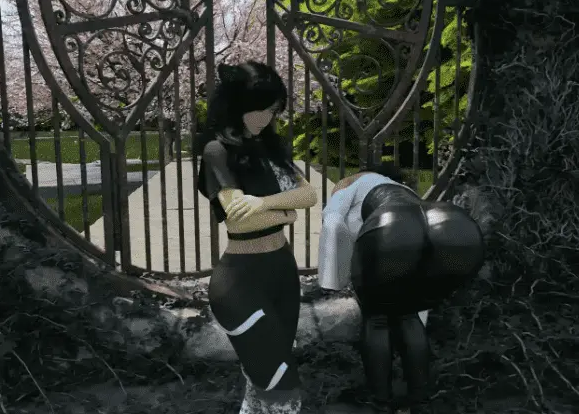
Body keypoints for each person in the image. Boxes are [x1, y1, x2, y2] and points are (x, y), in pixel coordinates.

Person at [197, 60, 318, 414]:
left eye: (272, 110)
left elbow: (309, 195)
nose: (266, 118)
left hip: (282, 272)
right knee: (282, 387)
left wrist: (264, 203)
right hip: (241, 282)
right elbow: (239, 221)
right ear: (237, 105)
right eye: (260, 109)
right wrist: (287, 213)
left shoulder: (271, 147)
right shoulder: (217, 151)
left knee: (260, 382)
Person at [318, 162, 485, 414]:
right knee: (408, 315)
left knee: (377, 318)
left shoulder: (353, 183)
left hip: (394, 231)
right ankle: (420, 400)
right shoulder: (407, 192)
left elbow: (332, 222)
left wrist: (331, 282)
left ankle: (380, 402)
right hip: (457, 227)